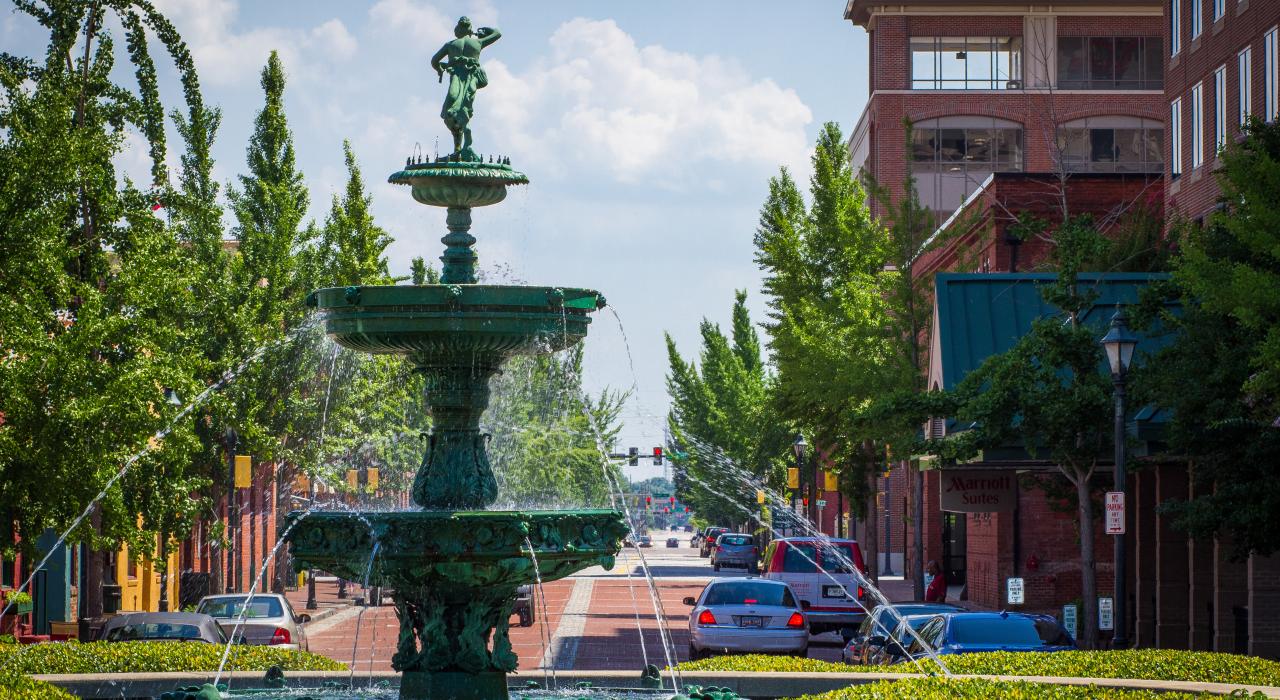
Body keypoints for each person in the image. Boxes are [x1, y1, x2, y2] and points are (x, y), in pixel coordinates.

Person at [430, 17, 502, 159]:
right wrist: (483, 31)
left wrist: (440, 69)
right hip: (465, 78)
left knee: (454, 108)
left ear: (458, 30)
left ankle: (463, 145)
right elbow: (497, 33)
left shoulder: (455, 44)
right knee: (461, 108)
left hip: (463, 78)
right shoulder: (474, 42)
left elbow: (434, 61)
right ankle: (461, 148)